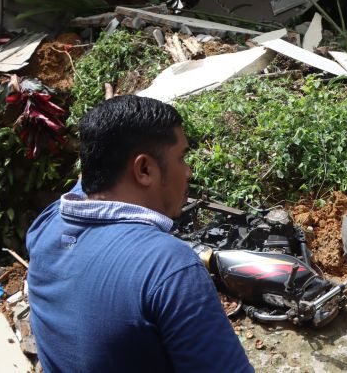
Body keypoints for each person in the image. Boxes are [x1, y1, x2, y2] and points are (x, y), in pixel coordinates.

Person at [26, 95, 252, 373]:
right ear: (144, 169)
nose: (189, 172)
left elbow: (84, 182)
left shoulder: (46, 225)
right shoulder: (168, 267)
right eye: (181, 158)